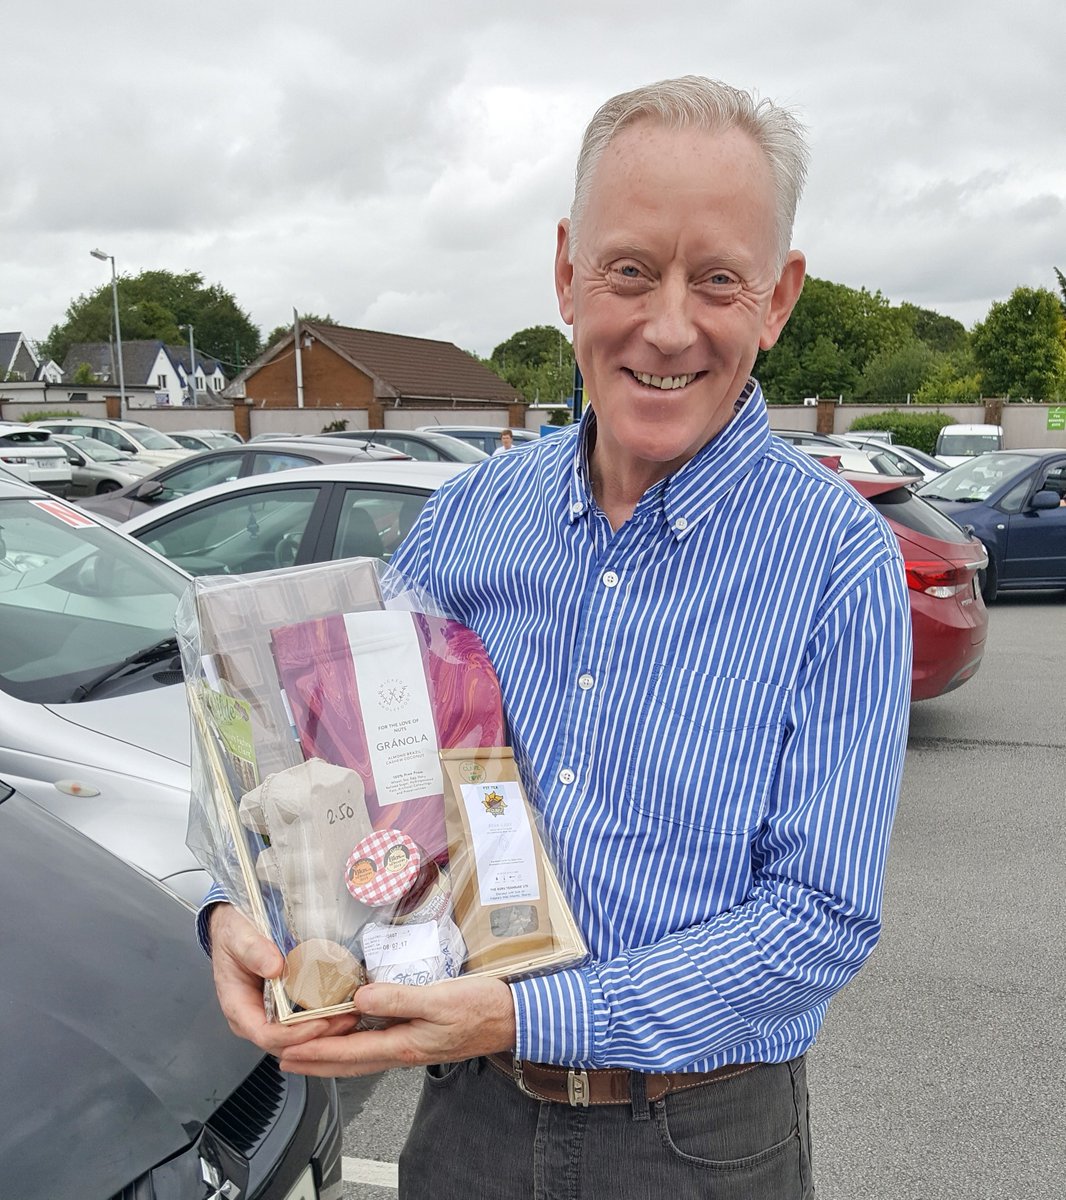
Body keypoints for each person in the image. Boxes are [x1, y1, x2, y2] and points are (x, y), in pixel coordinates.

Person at [203, 75, 912, 1199]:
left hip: (698, 1141)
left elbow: (817, 921)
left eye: (716, 280)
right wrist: (235, 910)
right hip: (469, 1113)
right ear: (565, 274)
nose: (666, 325)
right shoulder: (471, 517)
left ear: (776, 299)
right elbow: (327, 757)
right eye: (629, 270)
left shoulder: (838, 565)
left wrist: (533, 1009)